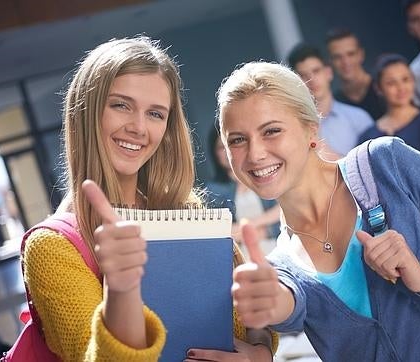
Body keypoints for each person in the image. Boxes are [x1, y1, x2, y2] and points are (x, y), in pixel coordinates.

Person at [217, 61, 420, 361]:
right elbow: (288, 305)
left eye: (271, 131)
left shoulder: (385, 164)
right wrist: (269, 309)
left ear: (311, 129)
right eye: (238, 140)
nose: (255, 153)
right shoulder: (281, 265)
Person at [22, 36, 275, 361]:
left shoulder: (186, 209)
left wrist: (260, 352)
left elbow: (249, 326)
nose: (139, 127)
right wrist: (122, 289)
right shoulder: (51, 248)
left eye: (156, 114)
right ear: (86, 112)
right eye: (121, 105)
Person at [288, 43, 374, 159]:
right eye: (303, 75)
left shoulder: (359, 118)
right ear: (295, 82)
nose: (311, 80)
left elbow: (373, 165)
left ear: (328, 72)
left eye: (316, 71)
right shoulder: (291, 127)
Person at [358, 53, 420, 166]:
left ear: (413, 81)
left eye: (405, 79)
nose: (401, 88)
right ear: (378, 88)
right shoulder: (368, 136)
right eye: (391, 83)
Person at [206, 126, 280, 251]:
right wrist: (264, 224)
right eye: (221, 147)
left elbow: (285, 212)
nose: (227, 151)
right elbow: (219, 232)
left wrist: (253, 226)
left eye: (231, 144)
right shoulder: (213, 189)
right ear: (214, 154)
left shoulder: (265, 173)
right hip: (240, 255)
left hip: (276, 248)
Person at [326, 28, 386, 120]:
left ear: (361, 54)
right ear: (330, 62)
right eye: (337, 57)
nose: (345, 62)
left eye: (350, 54)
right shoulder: (335, 104)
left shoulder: (385, 89)